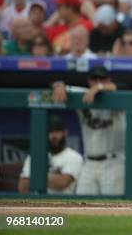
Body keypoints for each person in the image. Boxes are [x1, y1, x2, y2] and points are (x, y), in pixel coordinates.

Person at [51, 66, 125, 195]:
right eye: (94, 78)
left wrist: (100, 88)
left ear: (109, 80)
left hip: (113, 162)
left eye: (102, 78)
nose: (98, 81)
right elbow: (57, 84)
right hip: (89, 163)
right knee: (81, 203)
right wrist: (59, 85)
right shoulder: (84, 94)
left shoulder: (117, 95)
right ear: (89, 81)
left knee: (113, 206)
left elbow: (125, 87)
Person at [18, 115, 83, 195]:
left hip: (64, 203)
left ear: (65, 133)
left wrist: (34, 177)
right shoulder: (35, 156)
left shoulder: (74, 157)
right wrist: (53, 178)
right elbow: (23, 187)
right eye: (50, 132)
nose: (53, 136)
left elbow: (62, 183)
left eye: (57, 131)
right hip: (38, 203)